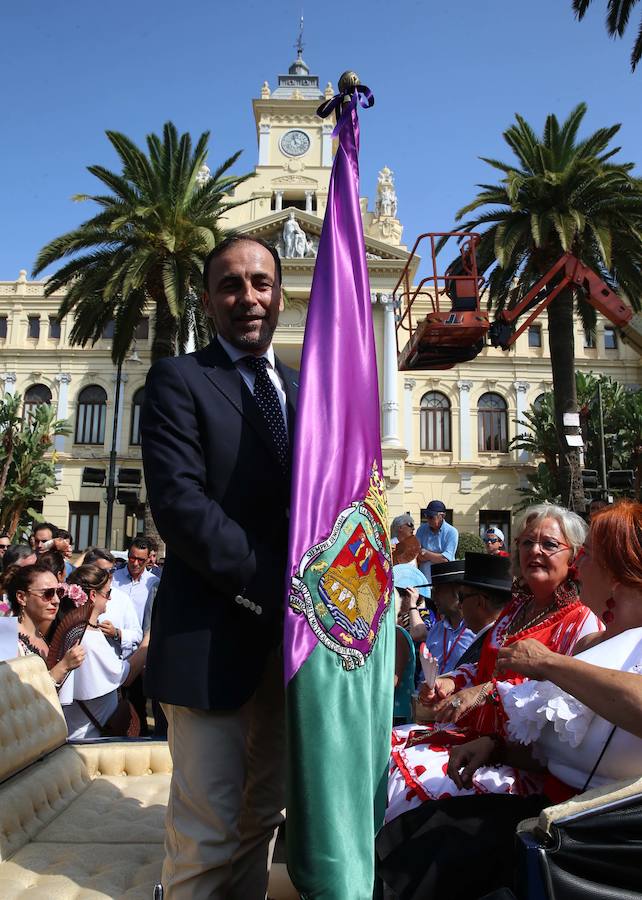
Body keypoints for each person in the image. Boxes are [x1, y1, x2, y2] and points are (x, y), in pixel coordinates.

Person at [377, 500, 642, 900]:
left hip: (589, 837)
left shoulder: (582, 629)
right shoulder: (574, 634)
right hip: (536, 793)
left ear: (617, 574)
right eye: (528, 542)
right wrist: (489, 738)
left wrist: (550, 664)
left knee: (429, 852)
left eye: (585, 555)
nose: (578, 564)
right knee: (409, 833)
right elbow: (546, 737)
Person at [141, 235, 298, 899]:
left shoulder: (302, 389)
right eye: (230, 285)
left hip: (289, 650)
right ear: (207, 301)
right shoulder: (179, 381)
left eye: (260, 283)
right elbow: (181, 508)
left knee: (262, 821)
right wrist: (279, 592)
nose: (248, 298)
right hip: (208, 639)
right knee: (205, 838)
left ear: (280, 295)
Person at [384, 504, 601, 824]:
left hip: (523, 763)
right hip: (476, 737)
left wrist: (485, 692)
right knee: (385, 751)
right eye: (527, 542)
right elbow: (483, 665)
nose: (535, 551)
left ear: (574, 558)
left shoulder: (581, 622)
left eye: (549, 544)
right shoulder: (515, 610)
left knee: (414, 792)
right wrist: (451, 683)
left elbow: (561, 704)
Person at [55, 564, 148, 740]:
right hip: (87, 738)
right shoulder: (87, 637)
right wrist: (147, 642)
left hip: (86, 732)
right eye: (107, 593)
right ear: (92, 595)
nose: (110, 599)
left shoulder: (79, 629)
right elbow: (125, 676)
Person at [4, 562, 84, 684]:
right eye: (48, 594)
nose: (56, 600)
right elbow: (11, 693)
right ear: (21, 597)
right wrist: (63, 667)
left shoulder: (39, 633)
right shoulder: (6, 637)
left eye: (59, 592)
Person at [111, 536, 159, 733]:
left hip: (140, 654)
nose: (135, 563)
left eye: (141, 559)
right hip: (115, 651)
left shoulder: (154, 583)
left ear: (149, 559)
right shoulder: (113, 579)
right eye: (132, 558)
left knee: (138, 704)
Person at [456, 551, 512, 667]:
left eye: (462, 597)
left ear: (479, 602)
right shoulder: (495, 639)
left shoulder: (493, 648)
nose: (459, 605)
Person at [84, 547, 142, 658]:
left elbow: (137, 635)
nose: (110, 575)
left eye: (112, 570)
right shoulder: (75, 594)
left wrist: (116, 633)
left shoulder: (122, 598)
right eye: (104, 571)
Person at [421, 560, 475, 675]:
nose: (433, 597)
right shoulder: (435, 631)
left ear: (459, 593)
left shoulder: (476, 632)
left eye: (438, 591)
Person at [415, 501, 458, 590]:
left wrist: (425, 552)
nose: (428, 520)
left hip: (444, 583)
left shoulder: (452, 532)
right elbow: (416, 555)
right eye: (426, 516)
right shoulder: (421, 529)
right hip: (424, 582)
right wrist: (437, 556)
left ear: (442, 516)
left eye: (431, 517)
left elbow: (445, 559)